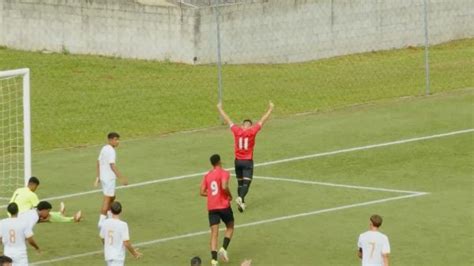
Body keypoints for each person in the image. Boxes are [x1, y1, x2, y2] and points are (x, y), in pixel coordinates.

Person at [217, 101, 274, 212]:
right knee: (247, 183)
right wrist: (270, 108)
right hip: (247, 161)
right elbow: (263, 120)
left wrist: (220, 108)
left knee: (240, 183)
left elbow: (227, 119)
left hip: (237, 161)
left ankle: (241, 203)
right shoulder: (252, 131)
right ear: (250, 126)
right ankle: (240, 198)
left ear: (242, 125)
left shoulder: (237, 130)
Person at [200, 154, 234, 266]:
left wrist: (211, 195)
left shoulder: (207, 175)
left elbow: (202, 192)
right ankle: (223, 248)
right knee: (230, 226)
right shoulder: (224, 173)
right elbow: (224, 186)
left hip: (212, 207)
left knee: (214, 233)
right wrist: (229, 195)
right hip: (223, 205)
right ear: (220, 161)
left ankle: (214, 260)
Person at [10, 176, 82, 222]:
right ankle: (72, 218)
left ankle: (60, 213)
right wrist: (45, 218)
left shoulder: (18, 189)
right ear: (33, 185)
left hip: (12, 215)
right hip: (21, 217)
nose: (36, 189)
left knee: (44, 213)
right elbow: (40, 209)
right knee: (47, 215)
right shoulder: (31, 194)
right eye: (36, 187)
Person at [95, 132, 128, 228]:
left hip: (104, 178)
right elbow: (112, 165)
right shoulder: (111, 151)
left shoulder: (104, 148)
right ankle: (101, 223)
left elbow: (98, 162)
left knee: (112, 197)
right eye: (116, 140)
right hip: (109, 178)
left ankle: (110, 217)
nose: (118, 142)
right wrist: (122, 178)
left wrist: (98, 177)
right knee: (107, 199)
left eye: (118, 140)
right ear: (110, 140)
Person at [100, 201, 141, 266]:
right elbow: (126, 243)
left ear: (110, 211)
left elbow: (102, 238)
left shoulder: (105, 223)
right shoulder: (123, 225)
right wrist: (134, 253)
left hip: (108, 255)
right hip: (117, 257)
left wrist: (108, 246)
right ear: (121, 211)